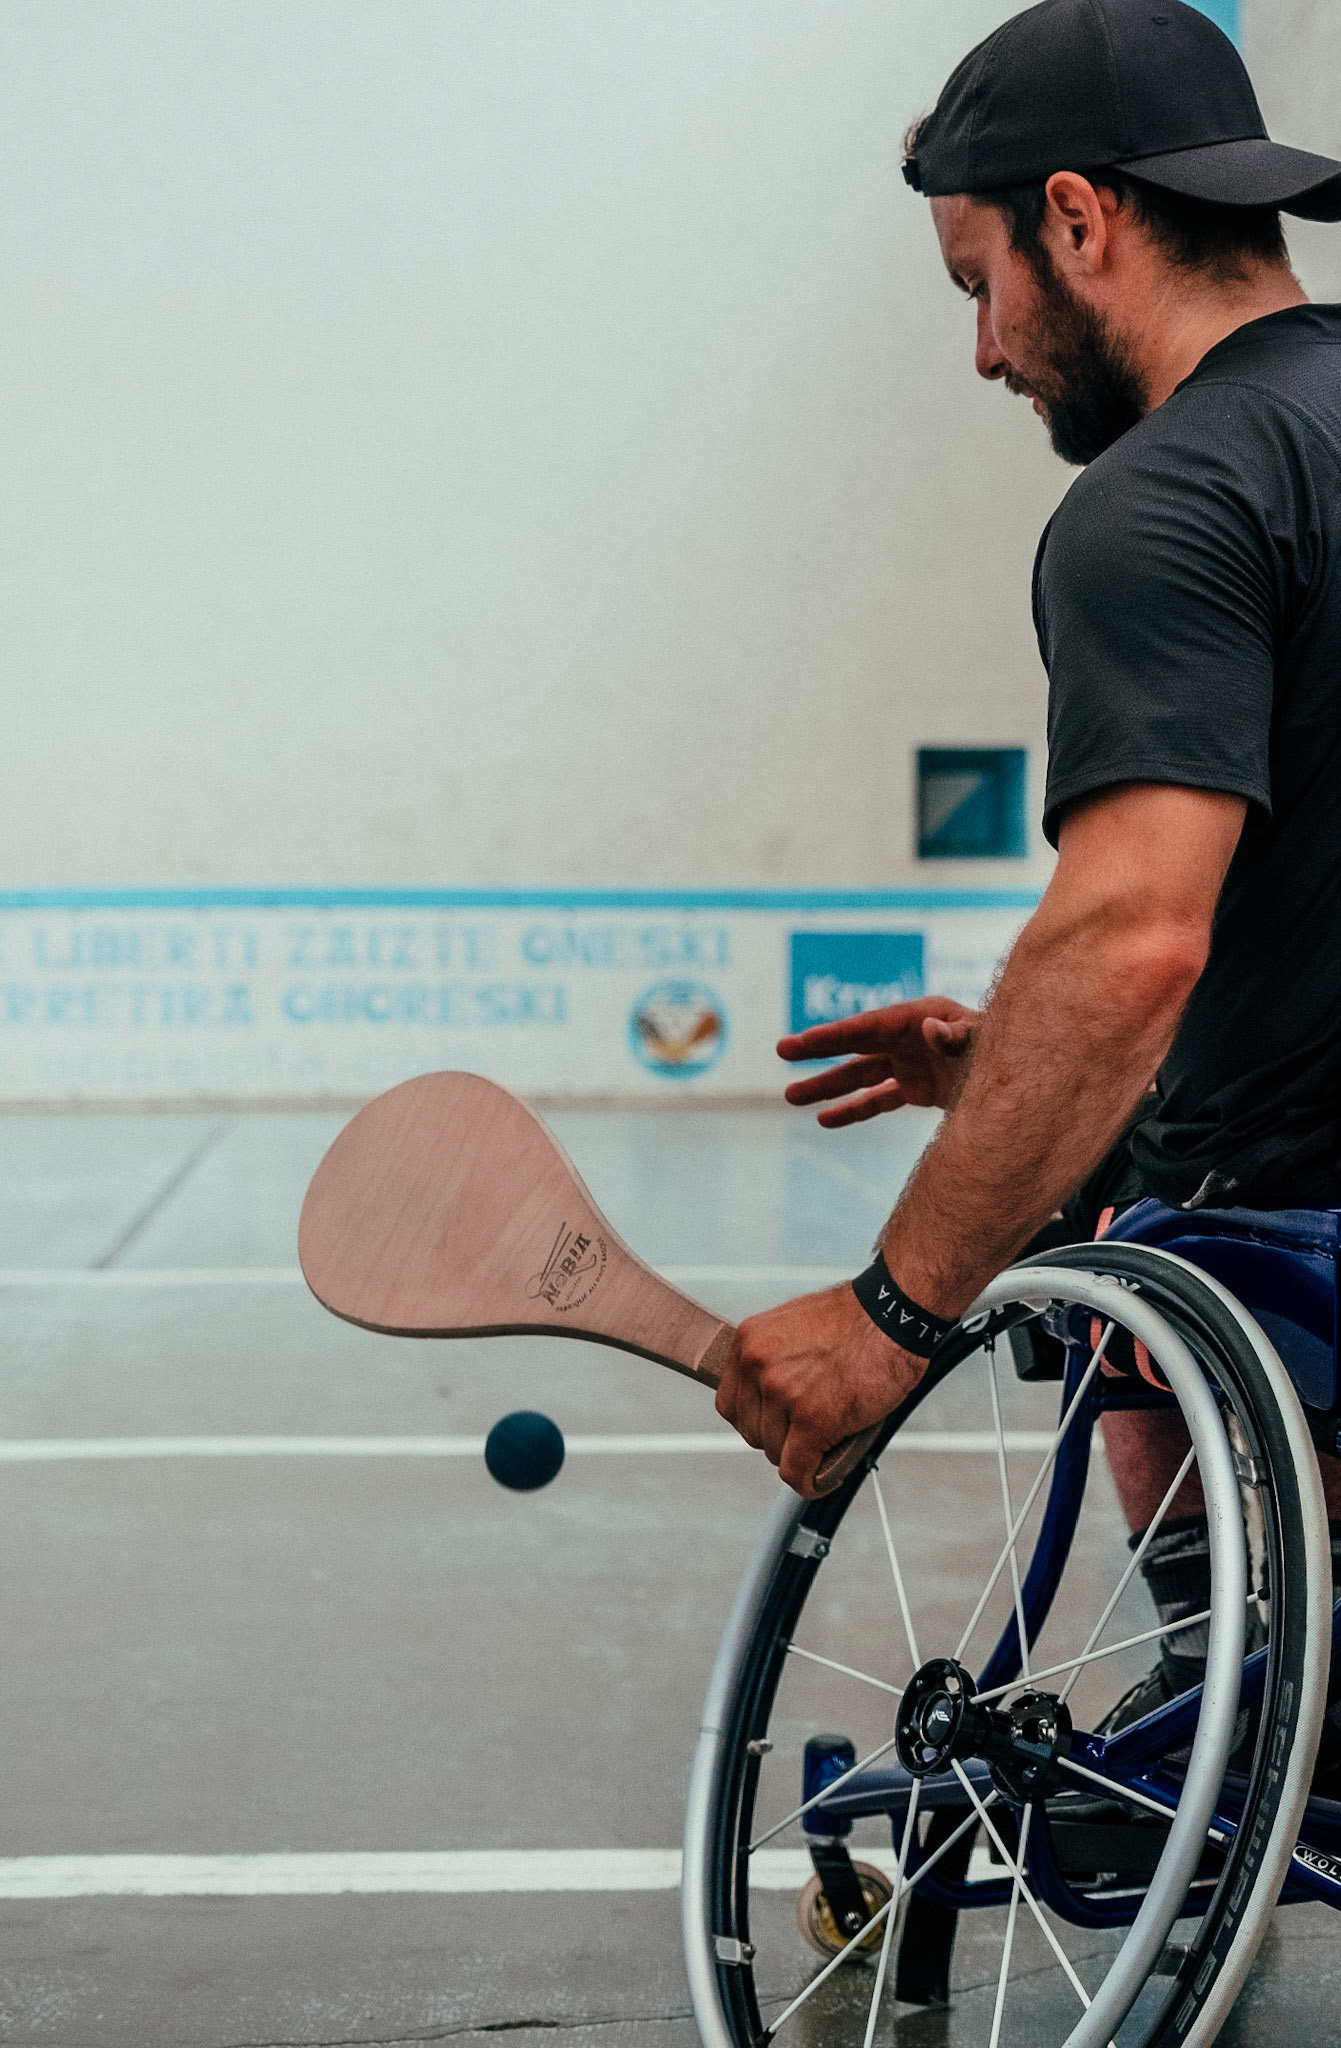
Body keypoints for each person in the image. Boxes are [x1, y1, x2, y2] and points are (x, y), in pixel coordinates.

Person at [715, 0, 1341, 1730]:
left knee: (1131, 1226)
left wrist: (884, 1323)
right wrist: (1019, 1067)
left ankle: (1234, 1702)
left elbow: (1134, 939)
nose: (985, 350)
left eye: (974, 280)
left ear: (1078, 217)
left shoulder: (1168, 493)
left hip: (1287, 1246)